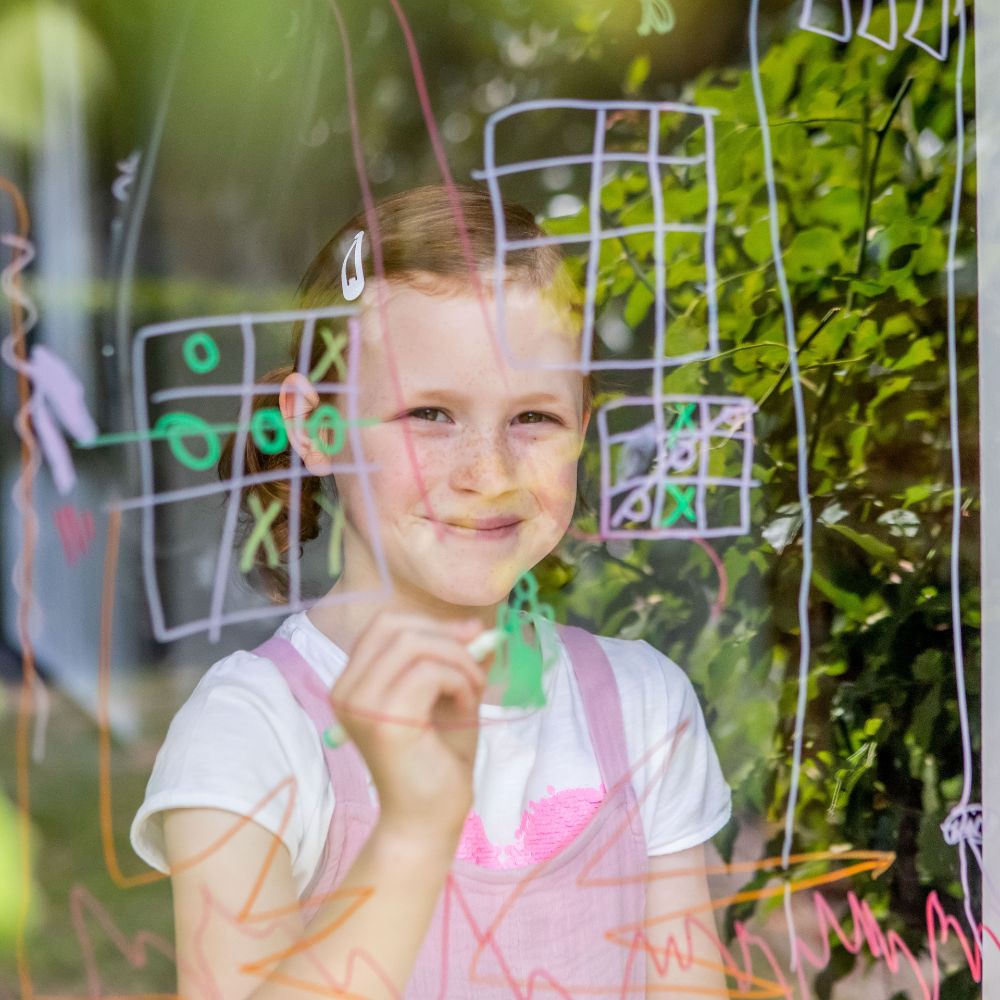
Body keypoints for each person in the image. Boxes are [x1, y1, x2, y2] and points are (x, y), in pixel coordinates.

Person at [130, 185, 732, 999]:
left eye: (534, 418)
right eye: (430, 414)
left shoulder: (642, 708)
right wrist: (412, 834)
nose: (489, 474)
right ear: (315, 426)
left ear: (583, 425)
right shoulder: (253, 732)